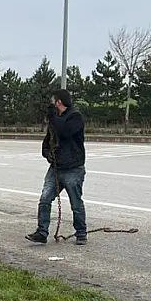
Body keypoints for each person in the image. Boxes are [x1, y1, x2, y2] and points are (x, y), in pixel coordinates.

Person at [26, 88, 87, 245]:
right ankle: (42, 232)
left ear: (58, 101)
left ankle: (81, 233)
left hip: (73, 168)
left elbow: (66, 131)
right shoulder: (55, 119)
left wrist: (53, 117)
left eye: (53, 101)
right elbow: (47, 141)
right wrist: (47, 153)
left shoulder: (75, 117)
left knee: (76, 203)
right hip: (55, 168)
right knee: (45, 199)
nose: (51, 104)